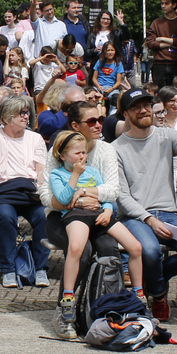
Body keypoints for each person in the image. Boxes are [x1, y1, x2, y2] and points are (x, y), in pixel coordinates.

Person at [112, 88, 177, 321]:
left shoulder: (167, 136)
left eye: (146, 104)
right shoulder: (115, 148)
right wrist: (149, 219)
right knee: (150, 250)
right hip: (135, 216)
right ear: (125, 114)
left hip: (168, 213)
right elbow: (122, 196)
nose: (143, 110)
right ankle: (158, 294)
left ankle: (154, 281)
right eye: (136, 107)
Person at [47, 130, 142, 327]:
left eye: (84, 152)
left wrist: (107, 210)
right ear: (62, 156)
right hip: (76, 215)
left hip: (99, 214)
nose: (82, 157)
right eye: (77, 153)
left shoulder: (93, 172)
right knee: (77, 247)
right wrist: (75, 175)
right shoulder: (57, 174)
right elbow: (64, 199)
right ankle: (68, 298)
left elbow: (105, 197)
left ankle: (139, 293)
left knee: (135, 247)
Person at [0, 89, 50, 288]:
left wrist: (41, 190)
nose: (26, 116)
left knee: (44, 216)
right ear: (8, 117)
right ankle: (8, 269)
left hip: (28, 192)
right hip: (2, 192)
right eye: (21, 113)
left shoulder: (35, 138)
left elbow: (41, 170)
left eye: (27, 112)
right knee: (5, 217)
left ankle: (41, 267)